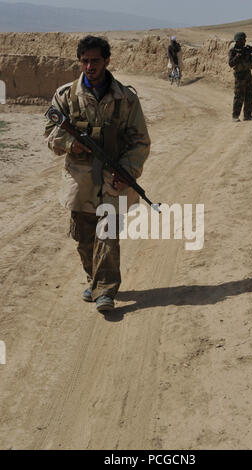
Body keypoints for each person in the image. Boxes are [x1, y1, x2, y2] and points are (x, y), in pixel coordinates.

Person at [45, 35, 151, 312]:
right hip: (79, 179)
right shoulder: (65, 95)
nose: (89, 66)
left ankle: (106, 290)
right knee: (83, 236)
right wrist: (72, 142)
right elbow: (50, 135)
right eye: (84, 61)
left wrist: (127, 170)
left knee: (108, 232)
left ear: (107, 61)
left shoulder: (125, 98)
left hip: (112, 178)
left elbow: (139, 141)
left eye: (95, 60)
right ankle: (93, 279)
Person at [228, 32, 252, 122]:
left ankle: (247, 115)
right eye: (243, 39)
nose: (245, 41)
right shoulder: (233, 51)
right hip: (239, 76)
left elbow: (250, 61)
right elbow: (231, 63)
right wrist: (238, 56)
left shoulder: (246, 50)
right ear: (239, 40)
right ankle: (235, 116)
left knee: (250, 95)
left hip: (248, 74)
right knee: (239, 96)